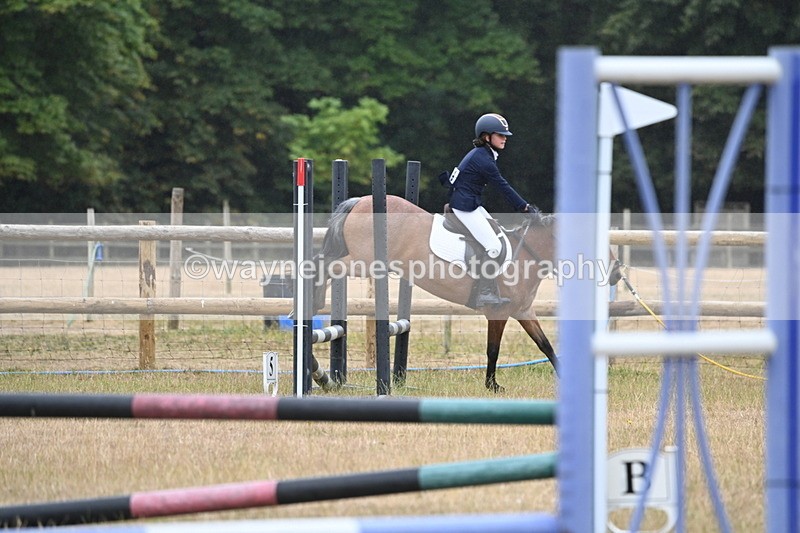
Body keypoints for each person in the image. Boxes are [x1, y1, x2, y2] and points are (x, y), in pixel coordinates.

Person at [445, 113, 534, 307]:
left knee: (498, 235)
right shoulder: (483, 160)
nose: (505, 138)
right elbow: (503, 187)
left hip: (470, 203)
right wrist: (524, 207)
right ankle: (484, 292)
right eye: (500, 135)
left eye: (505, 135)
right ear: (486, 137)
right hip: (465, 207)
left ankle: (490, 286)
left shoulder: (482, 154)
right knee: (493, 246)